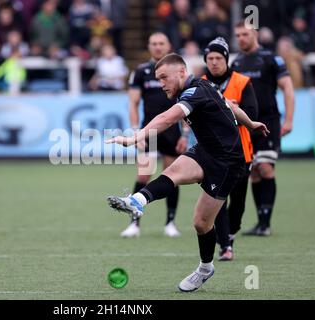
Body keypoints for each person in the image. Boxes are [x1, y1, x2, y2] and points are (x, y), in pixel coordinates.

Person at [105, 53, 269, 292]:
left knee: (201, 223)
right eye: (158, 79)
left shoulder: (194, 91)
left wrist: (137, 137)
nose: (161, 84)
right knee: (173, 172)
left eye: (164, 78)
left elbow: (167, 118)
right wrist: (251, 123)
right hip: (206, 152)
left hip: (228, 163)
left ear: (181, 72)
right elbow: (231, 106)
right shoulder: (205, 85)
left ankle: (205, 268)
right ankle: (136, 201)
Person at [120, 32, 187, 238]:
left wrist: (185, 133)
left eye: (161, 43)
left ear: (168, 46)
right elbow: (133, 102)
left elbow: (186, 103)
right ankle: (134, 224)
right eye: (154, 43)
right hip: (149, 132)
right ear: (149, 46)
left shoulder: (178, 71)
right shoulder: (141, 71)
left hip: (173, 131)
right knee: (143, 175)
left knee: (172, 175)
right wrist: (135, 131)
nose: (157, 47)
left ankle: (170, 222)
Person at [232, 21, 295, 236]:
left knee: (266, 167)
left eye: (245, 34)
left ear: (255, 34)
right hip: (246, 125)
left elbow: (288, 88)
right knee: (254, 173)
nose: (241, 38)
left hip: (268, 122)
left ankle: (266, 223)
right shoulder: (237, 62)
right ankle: (261, 222)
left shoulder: (270, 59)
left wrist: (288, 120)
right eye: (238, 35)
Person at [202, 37, 258, 261]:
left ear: (226, 59)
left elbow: (252, 115)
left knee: (238, 205)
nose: (214, 62)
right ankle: (225, 245)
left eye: (218, 58)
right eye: (210, 58)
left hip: (241, 153)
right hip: (213, 155)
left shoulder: (243, 82)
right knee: (218, 200)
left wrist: (228, 113)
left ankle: (230, 234)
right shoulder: (201, 83)